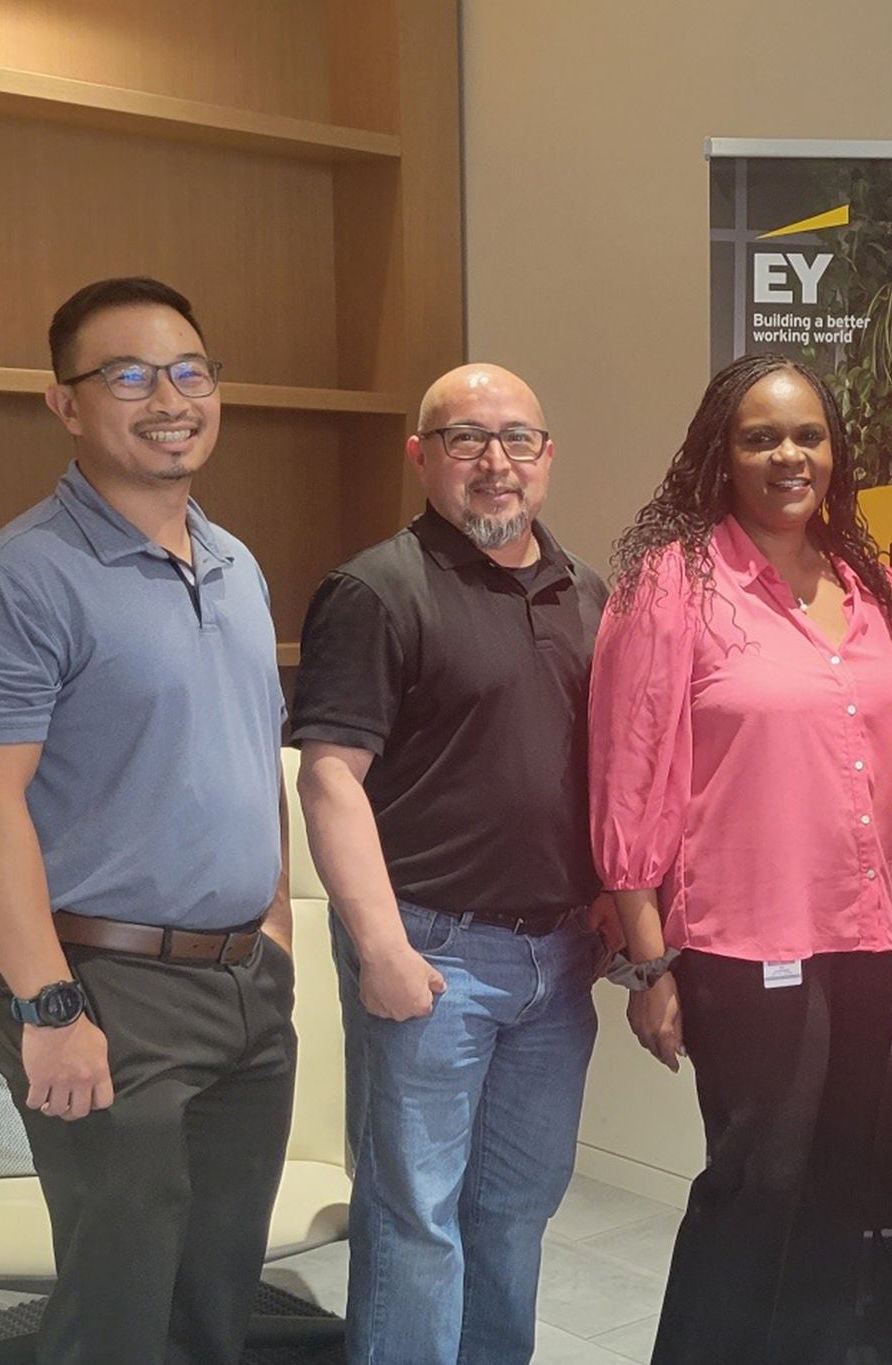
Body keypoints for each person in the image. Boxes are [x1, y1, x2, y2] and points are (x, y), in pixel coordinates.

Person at [0, 276, 295, 1364]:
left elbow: (250, 760)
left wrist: (272, 929)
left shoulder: (235, 563)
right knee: (120, 1308)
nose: (169, 398)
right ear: (66, 404)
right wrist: (50, 1005)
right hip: (102, 986)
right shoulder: (13, 582)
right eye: (128, 375)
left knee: (217, 1293)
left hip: (245, 983)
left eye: (189, 371)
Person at [590, 353, 892, 1365]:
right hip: (743, 943)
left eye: (808, 435)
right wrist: (649, 964)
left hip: (867, 937)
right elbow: (627, 778)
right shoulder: (674, 583)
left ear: (835, 451)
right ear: (720, 455)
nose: (790, 456)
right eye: (761, 437)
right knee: (758, 1184)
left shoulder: (869, 587)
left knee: (839, 1186)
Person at [289, 363, 610, 1365]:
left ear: (547, 456)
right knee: (414, 1217)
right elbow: (328, 778)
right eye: (465, 438)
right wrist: (381, 947)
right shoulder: (376, 590)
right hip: (433, 953)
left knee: (516, 1207)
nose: (494, 462)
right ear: (420, 457)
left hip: (559, 960)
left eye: (517, 439)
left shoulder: (586, 593)